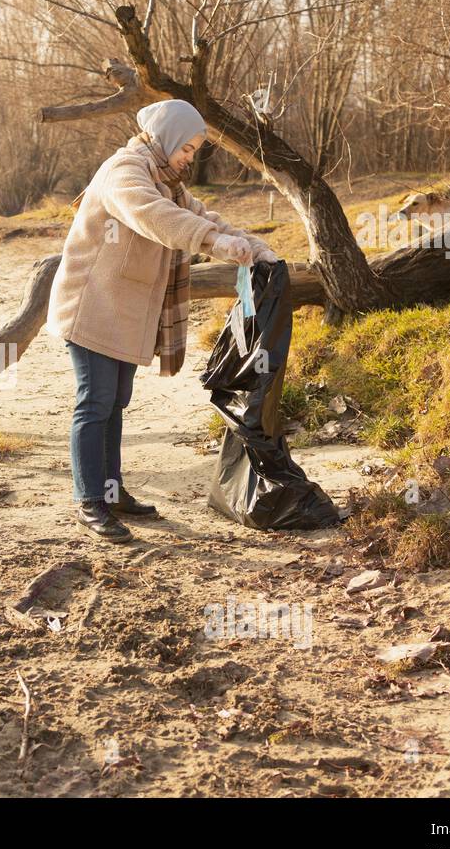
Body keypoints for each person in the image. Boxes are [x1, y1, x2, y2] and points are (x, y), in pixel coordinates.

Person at [47, 99, 278, 543]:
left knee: (115, 403)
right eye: (187, 147)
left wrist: (250, 244)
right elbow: (156, 218)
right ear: (167, 136)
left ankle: (111, 493)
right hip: (91, 306)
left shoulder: (167, 180)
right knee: (94, 402)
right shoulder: (125, 173)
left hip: (126, 311)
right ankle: (89, 501)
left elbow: (200, 215)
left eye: (194, 149)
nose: (190, 156)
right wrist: (215, 244)